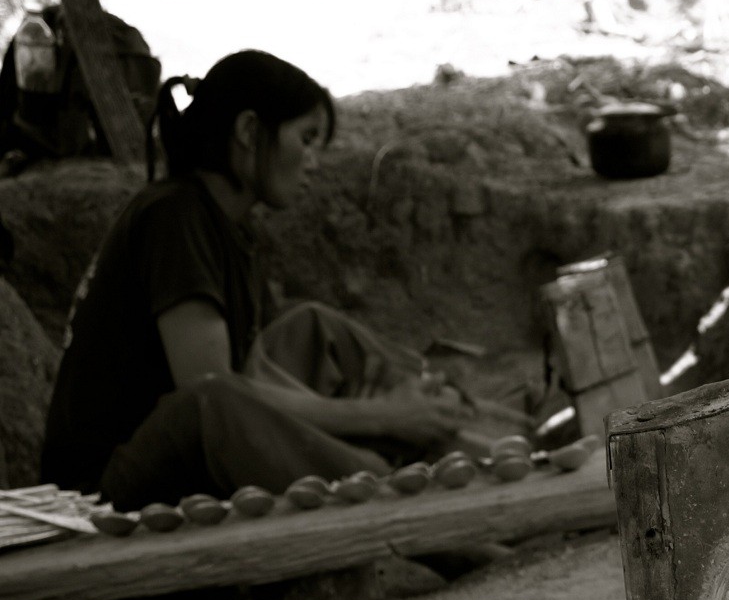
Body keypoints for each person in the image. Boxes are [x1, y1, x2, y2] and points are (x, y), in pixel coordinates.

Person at [39, 50, 498, 511]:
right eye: (306, 139)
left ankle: (467, 437)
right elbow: (212, 388)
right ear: (249, 132)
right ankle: (404, 497)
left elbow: (254, 373)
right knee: (210, 403)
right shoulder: (173, 218)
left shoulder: (229, 227)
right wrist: (378, 417)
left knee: (315, 331)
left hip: (198, 439)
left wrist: (384, 414)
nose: (314, 164)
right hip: (102, 493)